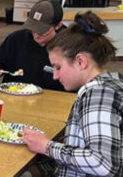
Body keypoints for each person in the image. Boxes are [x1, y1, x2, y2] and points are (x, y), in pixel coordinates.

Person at [24, 11, 122, 177]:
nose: (55, 76)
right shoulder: (111, 83)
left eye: (58, 67)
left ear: (80, 61)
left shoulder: (99, 94)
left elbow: (103, 163)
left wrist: (47, 146)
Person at [0, 0, 65, 91]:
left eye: (43, 32)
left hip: (51, 99)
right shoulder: (17, 38)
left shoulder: (68, 46)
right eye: (33, 29)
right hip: (14, 96)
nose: (36, 36)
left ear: (58, 26)